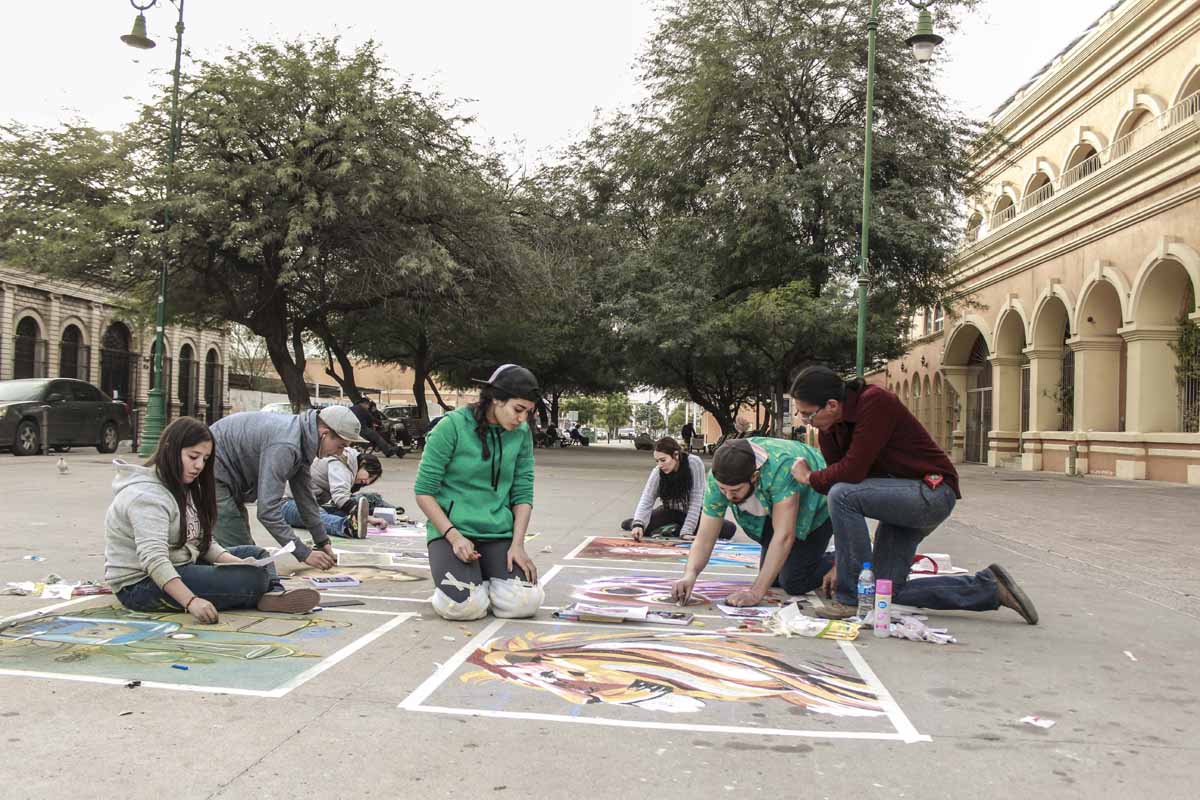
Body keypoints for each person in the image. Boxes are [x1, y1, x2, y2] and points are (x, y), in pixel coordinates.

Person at [788, 366, 1038, 624]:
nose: (807, 422)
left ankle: (850, 599)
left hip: (931, 492)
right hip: (897, 499)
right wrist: (840, 564)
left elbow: (851, 473)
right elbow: (840, 478)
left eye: (808, 415)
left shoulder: (874, 402)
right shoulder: (830, 430)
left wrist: (809, 478)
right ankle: (988, 588)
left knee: (841, 494)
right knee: (885, 592)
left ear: (831, 404)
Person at [105, 417, 320, 622]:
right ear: (170, 449)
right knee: (253, 580)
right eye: (193, 456)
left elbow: (202, 542)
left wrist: (240, 563)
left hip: (181, 563)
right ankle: (262, 590)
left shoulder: (183, 486)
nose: (199, 465)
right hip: (141, 585)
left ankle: (273, 594)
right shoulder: (146, 496)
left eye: (205, 459)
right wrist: (191, 601)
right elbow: (154, 560)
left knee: (257, 556)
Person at [414, 364, 544, 621]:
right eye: (518, 410)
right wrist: (454, 537)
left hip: (498, 533)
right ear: (496, 398)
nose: (521, 419)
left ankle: (482, 576)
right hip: (452, 531)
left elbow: (523, 492)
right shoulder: (451, 427)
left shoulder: (521, 433)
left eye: (528, 413)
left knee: (525, 603)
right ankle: (462, 582)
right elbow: (423, 491)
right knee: (464, 607)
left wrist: (517, 544)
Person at [671, 438, 834, 607]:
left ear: (754, 476)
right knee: (773, 579)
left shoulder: (780, 469)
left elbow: (784, 536)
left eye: (735, 490)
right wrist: (690, 574)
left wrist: (755, 593)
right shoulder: (718, 477)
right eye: (723, 490)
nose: (728, 496)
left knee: (794, 581)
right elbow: (705, 537)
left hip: (818, 503)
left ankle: (840, 560)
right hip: (773, 508)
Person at [210, 404, 367, 571]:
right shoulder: (286, 445)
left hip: (228, 478)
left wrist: (322, 541)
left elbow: (305, 499)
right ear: (324, 434)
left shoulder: (302, 441)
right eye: (341, 446)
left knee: (242, 550)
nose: (339, 453)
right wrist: (304, 553)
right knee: (245, 559)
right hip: (213, 475)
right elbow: (268, 512)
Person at [620, 436, 735, 541]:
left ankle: (677, 529)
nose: (660, 465)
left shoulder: (694, 463)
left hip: (695, 512)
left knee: (728, 529)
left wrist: (687, 531)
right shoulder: (657, 472)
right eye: (657, 461)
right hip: (670, 511)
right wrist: (638, 524)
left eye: (663, 460)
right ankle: (646, 523)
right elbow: (647, 498)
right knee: (633, 525)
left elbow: (696, 499)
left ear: (676, 455)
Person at [281, 449, 397, 540]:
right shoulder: (341, 462)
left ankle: (392, 512)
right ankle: (346, 527)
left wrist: (366, 518)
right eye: (369, 476)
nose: (367, 481)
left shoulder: (350, 466)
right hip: (288, 503)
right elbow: (340, 498)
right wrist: (367, 518)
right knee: (317, 515)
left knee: (363, 501)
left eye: (371, 480)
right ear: (363, 463)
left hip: (312, 502)